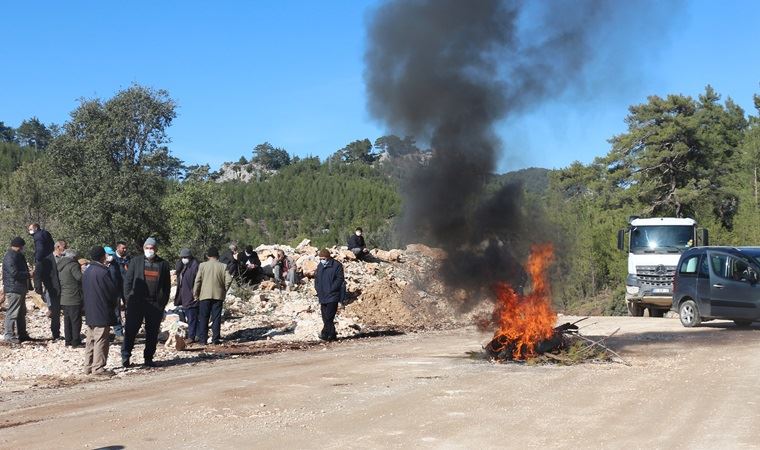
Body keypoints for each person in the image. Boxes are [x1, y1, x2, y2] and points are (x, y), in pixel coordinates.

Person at [121, 237, 171, 368]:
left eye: (152, 248)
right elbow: (128, 282)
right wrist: (128, 298)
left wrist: (162, 303)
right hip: (136, 303)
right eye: (147, 248)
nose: (150, 250)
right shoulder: (135, 262)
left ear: (156, 249)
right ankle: (125, 356)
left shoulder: (163, 264)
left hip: (155, 304)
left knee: (152, 332)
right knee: (131, 330)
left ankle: (148, 358)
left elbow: (167, 286)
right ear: (143, 249)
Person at [82, 246, 118, 376]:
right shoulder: (103, 272)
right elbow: (111, 291)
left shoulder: (87, 271)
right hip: (102, 309)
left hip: (90, 310)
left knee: (90, 339)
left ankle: (88, 366)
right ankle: (98, 367)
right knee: (101, 339)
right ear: (103, 256)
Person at [28, 223, 62, 340]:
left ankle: (56, 333)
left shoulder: (38, 236)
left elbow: (40, 249)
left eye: (31, 229)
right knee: (61, 310)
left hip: (51, 283)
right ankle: (69, 334)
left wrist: (38, 260)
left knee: (55, 310)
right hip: (56, 283)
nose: (30, 232)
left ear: (35, 229)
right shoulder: (46, 233)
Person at [193, 247, 232, 345]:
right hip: (218, 296)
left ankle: (203, 340)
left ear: (208, 256)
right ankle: (215, 339)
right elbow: (229, 279)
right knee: (216, 318)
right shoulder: (223, 266)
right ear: (217, 256)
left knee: (204, 318)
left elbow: (197, 281)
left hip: (204, 295)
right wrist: (224, 290)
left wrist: (195, 293)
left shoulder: (202, 266)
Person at [3, 237, 31, 344]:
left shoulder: (17, 255)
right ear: (19, 246)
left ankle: (22, 334)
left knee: (21, 312)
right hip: (14, 288)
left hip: (19, 288)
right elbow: (14, 273)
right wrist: (28, 275)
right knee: (13, 312)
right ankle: (9, 335)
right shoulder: (10, 256)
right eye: (22, 246)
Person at [314, 249, 344, 341]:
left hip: (332, 295)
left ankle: (325, 333)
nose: (322, 260)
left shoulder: (337, 265)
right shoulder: (320, 266)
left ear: (328, 257)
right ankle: (332, 334)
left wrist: (332, 289)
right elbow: (317, 279)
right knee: (325, 316)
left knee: (329, 316)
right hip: (322, 295)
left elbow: (340, 279)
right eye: (320, 259)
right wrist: (317, 288)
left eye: (323, 259)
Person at [58, 249, 83, 347]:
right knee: (76, 320)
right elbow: (79, 277)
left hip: (64, 297)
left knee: (67, 320)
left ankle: (68, 341)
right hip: (74, 296)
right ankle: (76, 341)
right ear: (73, 257)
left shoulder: (60, 265)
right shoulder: (73, 265)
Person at [173, 248, 200, 343]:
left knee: (192, 317)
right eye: (182, 257)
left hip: (192, 297)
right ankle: (196, 335)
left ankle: (192, 336)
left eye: (185, 257)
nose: (183, 259)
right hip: (185, 296)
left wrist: (195, 294)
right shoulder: (185, 266)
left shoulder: (195, 266)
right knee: (190, 317)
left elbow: (197, 281)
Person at [104, 246, 124, 341]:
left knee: (116, 313)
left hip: (115, 293)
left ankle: (119, 333)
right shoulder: (100, 266)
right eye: (109, 254)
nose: (111, 256)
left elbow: (119, 278)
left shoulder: (115, 264)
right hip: (104, 293)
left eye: (112, 254)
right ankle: (105, 333)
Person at [113, 241, 130, 339]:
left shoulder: (128, 259)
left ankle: (129, 330)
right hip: (115, 288)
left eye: (125, 248)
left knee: (129, 308)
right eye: (123, 248)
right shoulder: (112, 259)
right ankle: (118, 332)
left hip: (126, 287)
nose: (125, 250)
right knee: (116, 310)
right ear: (118, 248)